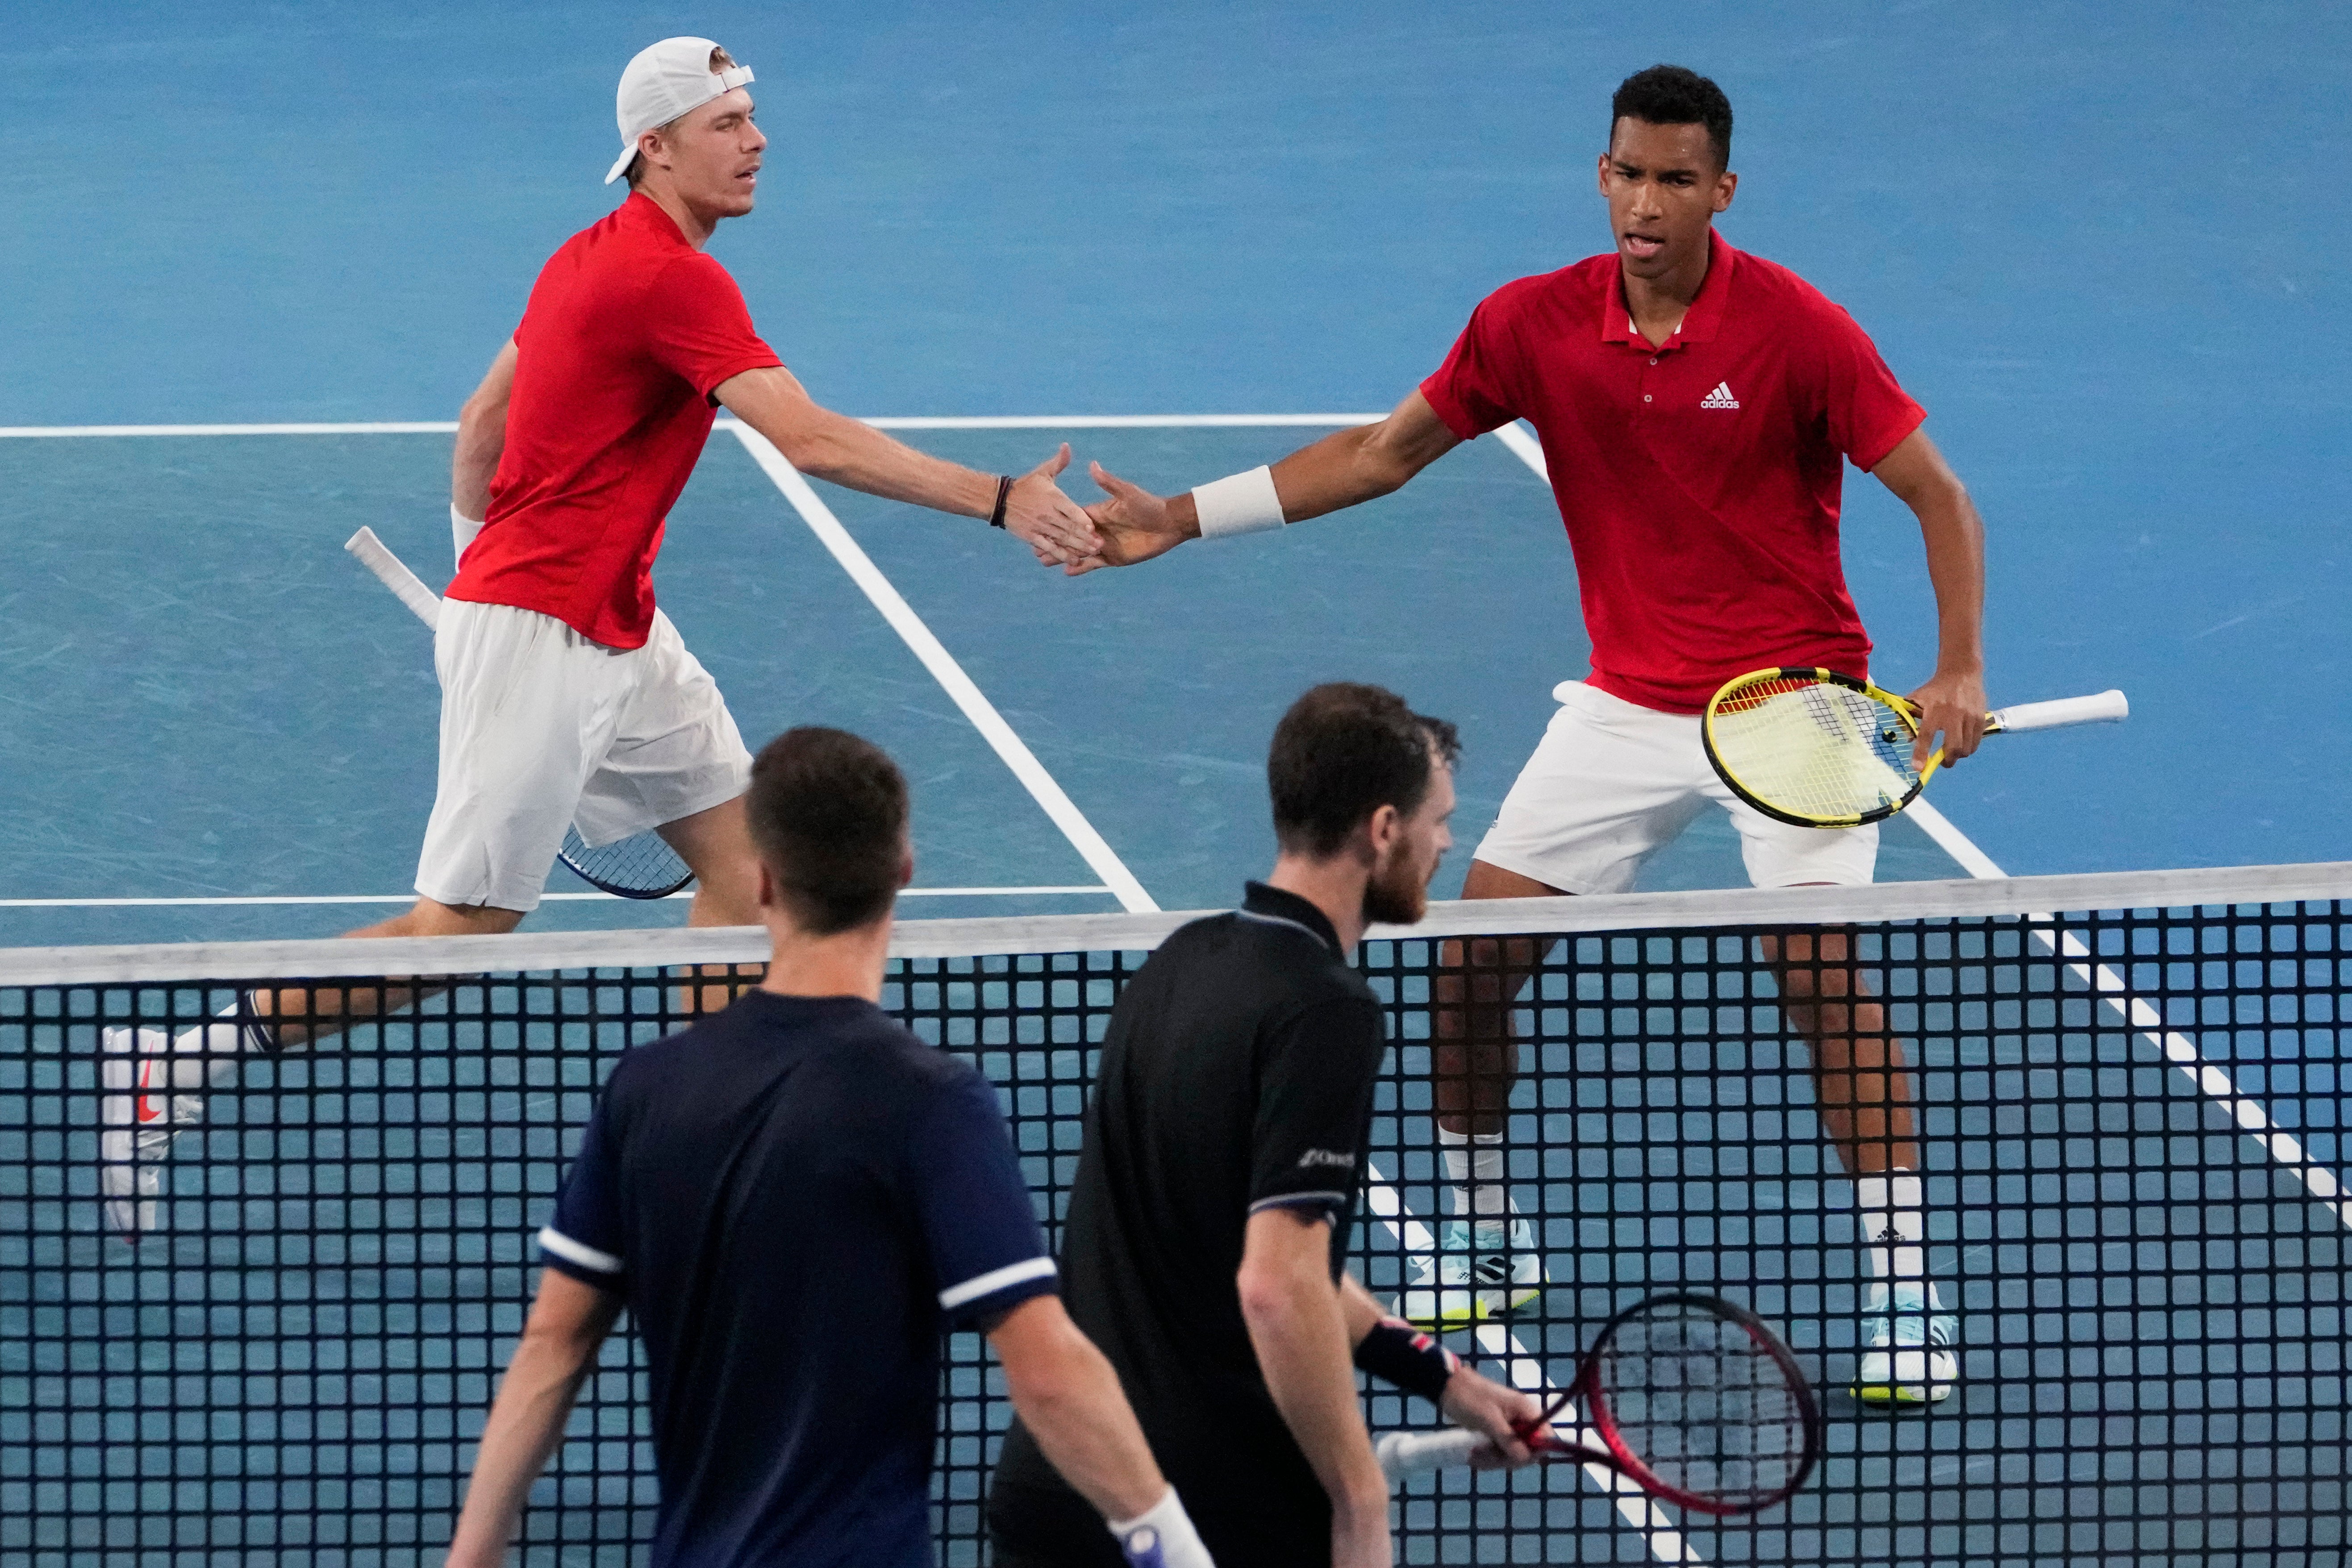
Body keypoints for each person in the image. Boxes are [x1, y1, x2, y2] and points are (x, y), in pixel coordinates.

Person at [1063, 66, 1980, 1403]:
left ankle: (1907, 1294)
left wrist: (1954, 666)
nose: (1645, 203)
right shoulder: (1532, 324)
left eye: (1675, 179)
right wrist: (1183, 518)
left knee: (1817, 976)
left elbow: (1935, 492)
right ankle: (1488, 1235)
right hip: (1623, 705)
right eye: (1626, 173)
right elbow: (1381, 454)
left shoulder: (1797, 331)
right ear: (1599, 175)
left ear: (1722, 191)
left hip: (1792, 708)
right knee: (1470, 960)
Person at [98, 34, 1106, 1241]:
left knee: (747, 869)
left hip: (614, 627)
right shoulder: (671, 280)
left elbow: (483, 424)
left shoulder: (585, 257)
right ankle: (182, 1060)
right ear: (656, 146)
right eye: (726, 121)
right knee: (461, 934)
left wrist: (478, 562)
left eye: (749, 116)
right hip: (540, 634)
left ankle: (706, 1142)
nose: (757, 138)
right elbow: (812, 441)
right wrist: (999, 498)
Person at [445, 726, 1216, 1568]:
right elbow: (1048, 1373)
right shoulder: (930, 1104)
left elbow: (552, 1346)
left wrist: (473, 1555)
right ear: (904, 872)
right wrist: (1171, 1546)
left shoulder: (647, 1090)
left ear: (765, 883)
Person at [988, 684, 1546, 1568]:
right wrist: (1358, 1496)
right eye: (1440, 821)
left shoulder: (1181, 959)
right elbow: (1275, 1283)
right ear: (1383, 828)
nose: (1449, 843)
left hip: (1059, 1483)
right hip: (1209, 1504)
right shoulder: (1327, 1011)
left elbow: (1241, 1250)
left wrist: (1445, 1380)